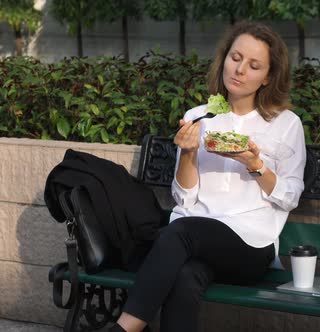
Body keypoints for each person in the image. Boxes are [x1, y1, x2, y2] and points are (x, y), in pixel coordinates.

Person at [109, 21, 306, 332]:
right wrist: (188, 152)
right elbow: (186, 197)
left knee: (178, 231)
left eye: (254, 65)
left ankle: (124, 328)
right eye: (235, 58)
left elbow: (291, 196)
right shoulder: (199, 117)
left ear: (268, 77)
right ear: (224, 58)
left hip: (251, 243)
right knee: (186, 276)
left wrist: (256, 165)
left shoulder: (286, 123)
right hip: (192, 239)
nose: (240, 70)